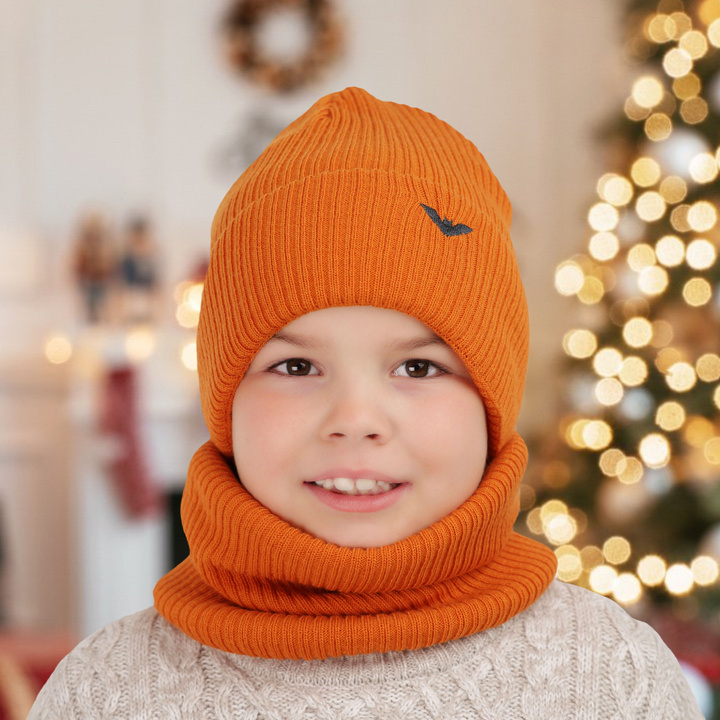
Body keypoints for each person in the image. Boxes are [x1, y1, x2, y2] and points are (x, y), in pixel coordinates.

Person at [29, 87, 703, 718]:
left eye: (418, 365)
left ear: (493, 404)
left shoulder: (613, 680)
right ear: (225, 399)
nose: (355, 419)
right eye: (296, 365)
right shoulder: (107, 692)